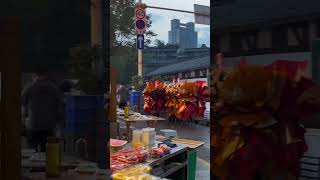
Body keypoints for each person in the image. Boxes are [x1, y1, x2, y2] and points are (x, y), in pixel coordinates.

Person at [22, 67, 65, 152]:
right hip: (49, 125)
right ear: (46, 75)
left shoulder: (30, 87)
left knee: (31, 152)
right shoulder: (54, 88)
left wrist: (23, 119)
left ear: (35, 75)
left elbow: (22, 103)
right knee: (47, 152)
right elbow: (60, 107)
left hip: (33, 124)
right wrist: (60, 125)